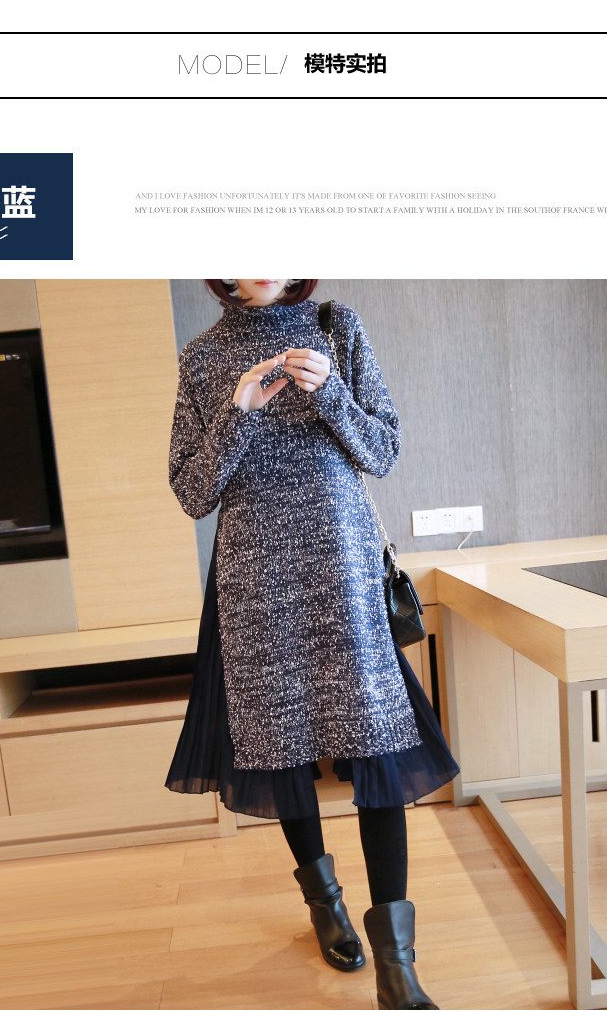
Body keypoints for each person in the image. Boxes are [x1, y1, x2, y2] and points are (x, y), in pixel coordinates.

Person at [166, 279, 459, 1010]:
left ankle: (396, 964)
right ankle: (325, 903)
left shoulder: (337, 326)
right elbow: (193, 493)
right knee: (284, 744)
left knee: (375, 746)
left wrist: (329, 393)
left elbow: (383, 450)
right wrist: (238, 411)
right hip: (254, 580)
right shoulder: (202, 357)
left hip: (342, 571)